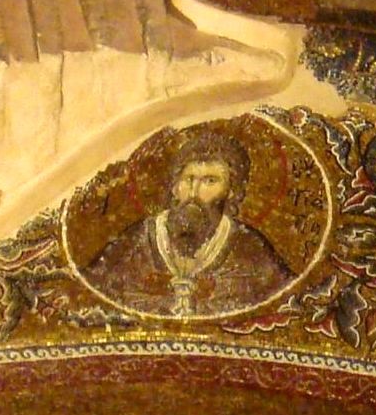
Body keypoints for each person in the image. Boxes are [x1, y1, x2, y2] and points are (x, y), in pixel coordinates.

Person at [82, 126, 295, 317]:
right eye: (188, 179)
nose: (194, 193)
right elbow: (89, 290)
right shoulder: (135, 240)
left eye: (210, 181)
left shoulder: (250, 248)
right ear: (175, 188)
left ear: (231, 191)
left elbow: (288, 298)